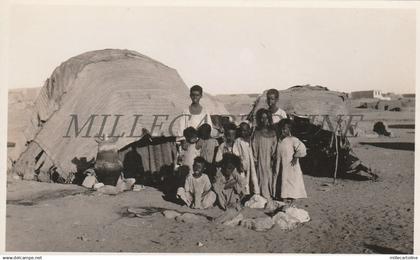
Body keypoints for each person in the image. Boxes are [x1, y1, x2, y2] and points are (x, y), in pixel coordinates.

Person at [274, 119, 307, 207]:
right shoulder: (280, 140)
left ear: (289, 129)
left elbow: (302, 149)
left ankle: (292, 198)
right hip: (282, 165)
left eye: (285, 129)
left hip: (291, 166)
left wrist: (296, 156)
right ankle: (284, 197)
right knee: (283, 180)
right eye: (281, 129)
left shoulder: (293, 139)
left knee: (291, 182)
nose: (283, 131)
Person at [251, 108, 277, 200]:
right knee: (262, 176)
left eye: (266, 118)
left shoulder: (273, 133)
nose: (264, 120)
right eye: (262, 118)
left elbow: (274, 146)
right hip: (260, 159)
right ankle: (263, 195)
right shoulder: (257, 132)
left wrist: (274, 157)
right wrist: (255, 159)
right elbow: (254, 146)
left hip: (270, 159)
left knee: (270, 176)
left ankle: (270, 194)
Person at [232, 122, 259, 195]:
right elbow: (235, 153)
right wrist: (239, 163)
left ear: (249, 130)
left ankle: (254, 193)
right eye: (241, 131)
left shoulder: (252, 140)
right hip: (242, 163)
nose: (243, 132)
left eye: (245, 130)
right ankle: (245, 194)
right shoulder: (238, 141)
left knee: (253, 178)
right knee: (244, 179)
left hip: (252, 164)